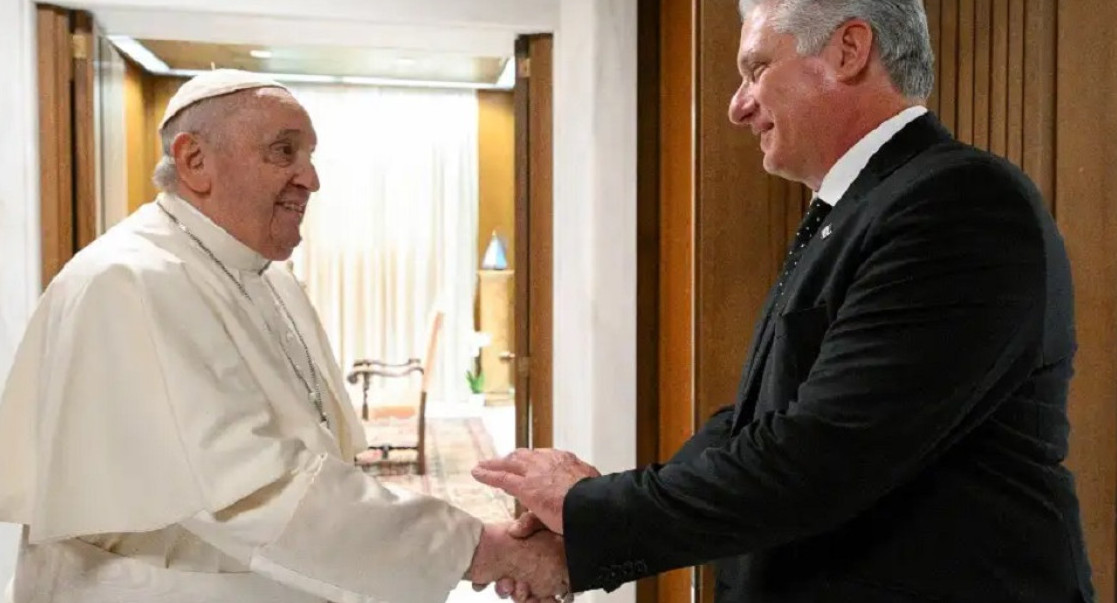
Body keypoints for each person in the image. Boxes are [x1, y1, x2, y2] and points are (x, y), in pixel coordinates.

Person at [474, 1, 1095, 601]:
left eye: (756, 69)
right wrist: (590, 524)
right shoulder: (866, 206)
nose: (737, 107)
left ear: (850, 49)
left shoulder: (957, 202)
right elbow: (755, 421)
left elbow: (821, 458)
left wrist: (593, 512)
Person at [0, 69, 568, 602]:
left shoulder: (265, 274)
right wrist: (484, 550)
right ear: (194, 160)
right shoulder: (130, 281)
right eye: (284, 152)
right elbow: (254, 489)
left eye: (310, 156)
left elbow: (314, 454)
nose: (311, 179)